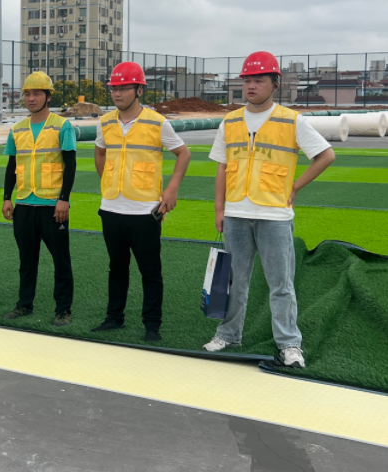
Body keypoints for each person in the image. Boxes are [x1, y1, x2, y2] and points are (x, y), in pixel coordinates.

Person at [204, 51, 335, 367]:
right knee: (233, 280)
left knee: (281, 284)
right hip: (236, 214)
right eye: (247, 80)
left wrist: (295, 186)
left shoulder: (291, 120)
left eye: (259, 80)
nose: (251, 85)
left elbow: (325, 155)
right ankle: (228, 334)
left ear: (275, 83)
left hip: (274, 215)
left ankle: (289, 344)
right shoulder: (230, 121)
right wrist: (220, 209)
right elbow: (222, 166)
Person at [90, 61, 191, 342]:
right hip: (111, 208)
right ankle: (114, 317)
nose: (117, 93)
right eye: (114, 88)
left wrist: (171, 190)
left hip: (145, 210)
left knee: (150, 271)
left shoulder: (157, 122)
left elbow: (184, 154)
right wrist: (108, 181)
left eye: (124, 88)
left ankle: (152, 324)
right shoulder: (105, 122)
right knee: (116, 268)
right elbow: (100, 153)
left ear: (139, 90)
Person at [1, 71, 76, 326]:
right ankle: (24, 304)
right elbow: (12, 166)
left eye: (36, 93)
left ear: (48, 96)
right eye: (27, 94)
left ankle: (63, 309)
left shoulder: (62, 126)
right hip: (24, 204)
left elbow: (70, 164)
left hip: (52, 206)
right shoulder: (17, 129)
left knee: (61, 260)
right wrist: (7, 198)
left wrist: (64, 199)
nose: (31, 98)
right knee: (27, 260)